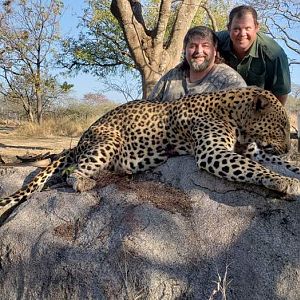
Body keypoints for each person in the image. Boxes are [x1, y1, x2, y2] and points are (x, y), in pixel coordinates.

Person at [148, 26, 246, 102]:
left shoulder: (230, 80)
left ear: (215, 50)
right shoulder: (171, 76)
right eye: (192, 46)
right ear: (184, 50)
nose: (199, 51)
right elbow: (149, 109)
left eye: (205, 46)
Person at [216, 5, 291, 105]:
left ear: (257, 27)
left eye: (248, 28)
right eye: (236, 29)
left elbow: (281, 95)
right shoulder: (214, 42)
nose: (242, 34)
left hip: (257, 109)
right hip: (222, 104)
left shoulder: (275, 54)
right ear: (228, 28)